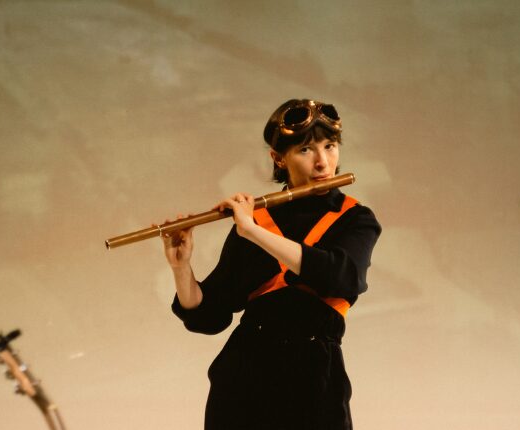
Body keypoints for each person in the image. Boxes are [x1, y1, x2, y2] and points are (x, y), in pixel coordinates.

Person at [161, 99, 381, 430]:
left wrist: (251, 231)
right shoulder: (256, 219)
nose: (323, 161)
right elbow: (211, 315)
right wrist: (181, 267)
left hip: (314, 377)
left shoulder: (354, 217)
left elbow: (340, 276)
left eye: (330, 146)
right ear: (278, 158)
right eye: (306, 150)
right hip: (244, 376)